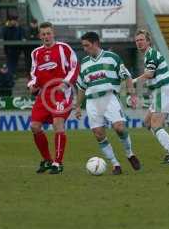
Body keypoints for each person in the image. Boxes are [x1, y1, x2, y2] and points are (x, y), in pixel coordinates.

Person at [75, 32, 141, 175]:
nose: (85, 49)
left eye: (87, 45)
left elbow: (127, 77)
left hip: (109, 98)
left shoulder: (112, 58)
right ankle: (115, 164)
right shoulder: (84, 63)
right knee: (99, 134)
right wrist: (78, 106)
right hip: (92, 101)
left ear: (96, 43)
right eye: (83, 46)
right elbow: (81, 87)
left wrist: (133, 95)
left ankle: (129, 154)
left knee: (119, 128)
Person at [28, 22, 79, 174]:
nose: (46, 37)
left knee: (58, 123)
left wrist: (65, 85)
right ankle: (47, 160)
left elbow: (74, 67)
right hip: (44, 94)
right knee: (35, 126)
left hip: (60, 92)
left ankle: (58, 162)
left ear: (53, 33)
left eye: (48, 33)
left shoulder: (64, 48)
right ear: (39, 36)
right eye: (43, 34)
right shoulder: (36, 53)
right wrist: (32, 85)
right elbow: (33, 73)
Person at [134, 29, 169, 164]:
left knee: (155, 124)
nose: (139, 43)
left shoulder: (151, 54)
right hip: (159, 92)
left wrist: (132, 82)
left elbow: (149, 74)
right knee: (147, 122)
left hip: (163, 90)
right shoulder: (148, 55)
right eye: (137, 40)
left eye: (142, 40)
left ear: (148, 41)